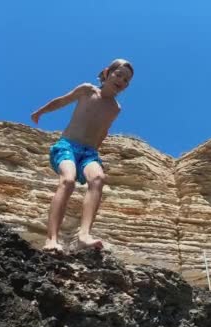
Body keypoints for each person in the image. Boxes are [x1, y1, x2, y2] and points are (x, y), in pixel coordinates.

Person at [30, 59, 134, 252]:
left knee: (98, 179)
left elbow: (103, 131)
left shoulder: (115, 108)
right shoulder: (87, 90)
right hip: (67, 146)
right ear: (106, 73)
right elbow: (62, 100)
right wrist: (41, 111)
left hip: (89, 153)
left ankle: (84, 236)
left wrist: (96, 153)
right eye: (118, 74)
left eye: (126, 80)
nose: (121, 80)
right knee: (68, 180)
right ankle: (51, 239)